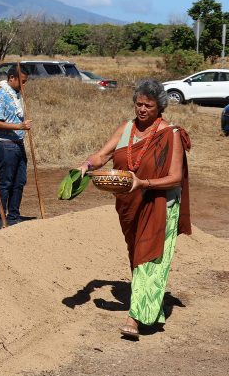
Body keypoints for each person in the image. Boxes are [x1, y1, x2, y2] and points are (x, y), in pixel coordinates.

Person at [79, 79, 191, 339]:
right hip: (130, 204)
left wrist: (143, 183)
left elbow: (175, 177)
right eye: (139, 104)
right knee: (137, 256)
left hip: (160, 204)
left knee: (149, 258)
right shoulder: (126, 127)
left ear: (159, 107)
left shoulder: (170, 133)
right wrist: (86, 166)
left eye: (148, 106)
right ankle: (150, 304)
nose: (142, 110)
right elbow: (102, 155)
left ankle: (135, 318)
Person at [0, 65, 32, 226]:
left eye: (25, 82)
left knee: (19, 181)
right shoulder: (0, 96)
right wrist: (19, 127)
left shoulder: (17, 95)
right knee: (6, 182)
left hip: (18, 144)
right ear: (11, 78)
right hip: (5, 145)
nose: (23, 85)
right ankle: (1, 218)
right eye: (21, 82)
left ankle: (13, 216)